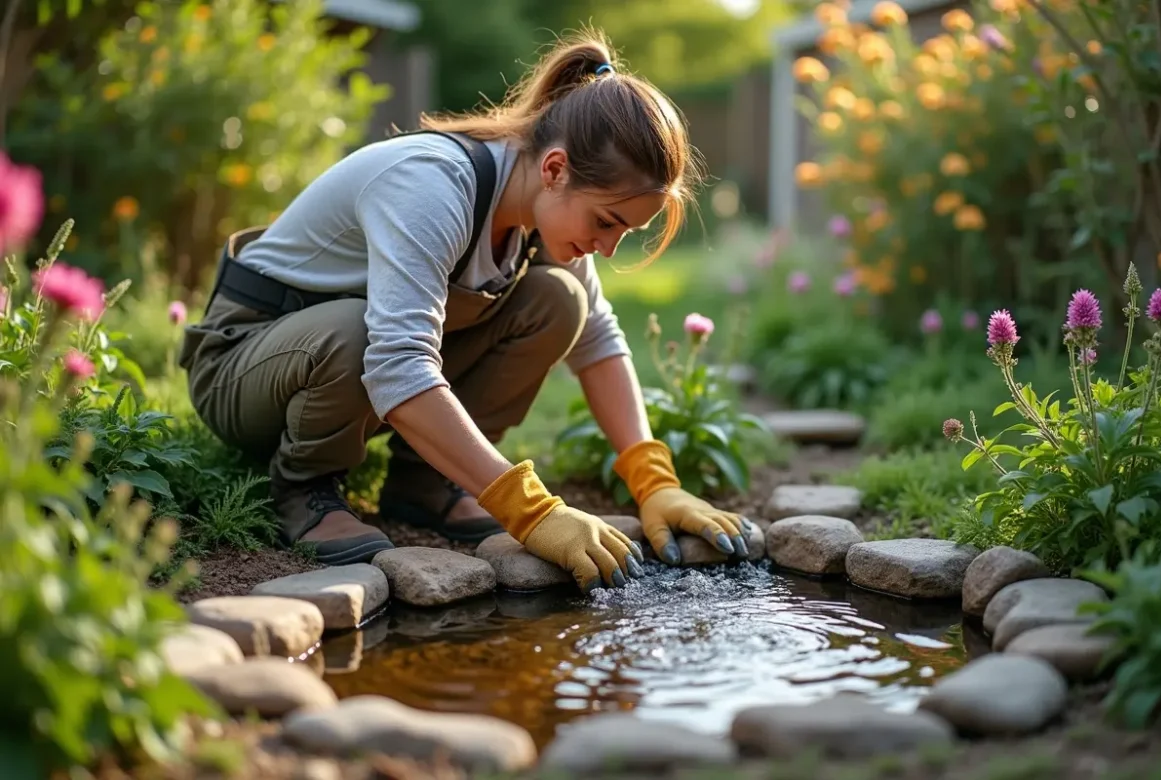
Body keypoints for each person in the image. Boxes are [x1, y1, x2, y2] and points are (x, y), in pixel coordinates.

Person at [177, 30, 751, 593]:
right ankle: (304, 488)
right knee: (356, 333)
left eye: (626, 232)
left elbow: (598, 341)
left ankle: (426, 485)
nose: (608, 247)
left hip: (338, 369)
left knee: (559, 302)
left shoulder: (542, 213)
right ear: (555, 169)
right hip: (243, 369)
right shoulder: (433, 187)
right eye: (606, 223)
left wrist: (656, 484)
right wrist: (529, 511)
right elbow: (397, 366)